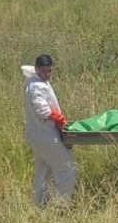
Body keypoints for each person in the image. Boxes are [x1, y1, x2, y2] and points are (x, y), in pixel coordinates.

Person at [22, 54, 77, 207]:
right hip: (45, 135)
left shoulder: (33, 81)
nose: (47, 74)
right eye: (44, 71)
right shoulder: (37, 86)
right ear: (37, 68)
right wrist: (59, 119)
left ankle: (39, 205)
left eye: (50, 71)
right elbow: (42, 110)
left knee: (43, 171)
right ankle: (62, 206)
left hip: (37, 134)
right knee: (66, 168)